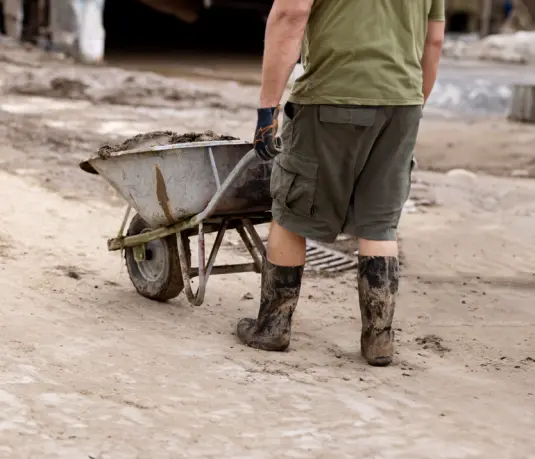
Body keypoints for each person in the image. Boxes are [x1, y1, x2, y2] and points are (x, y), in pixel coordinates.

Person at [237, 0, 445, 367]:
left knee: (290, 209)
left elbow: (291, 13)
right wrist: (412, 105)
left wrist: (266, 109)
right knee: (378, 222)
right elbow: (434, 41)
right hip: (403, 102)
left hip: (331, 97)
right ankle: (378, 339)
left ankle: (272, 326)